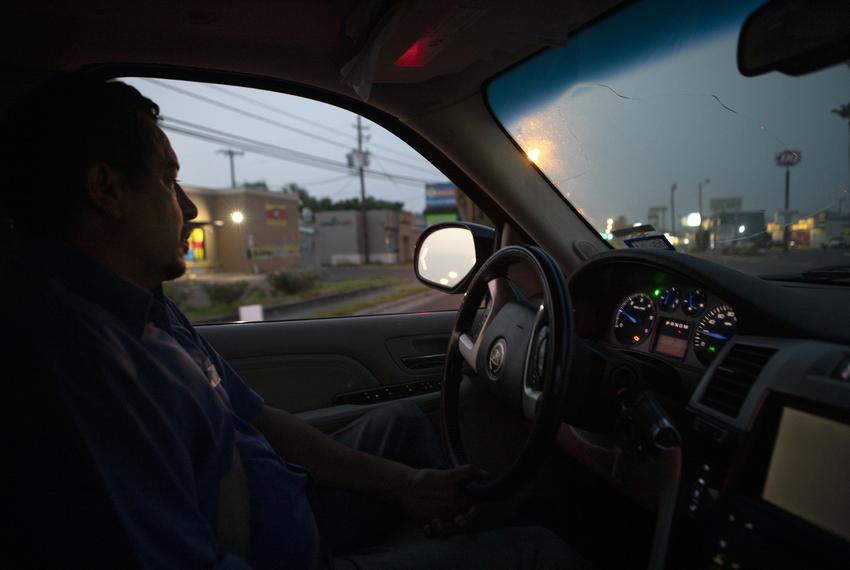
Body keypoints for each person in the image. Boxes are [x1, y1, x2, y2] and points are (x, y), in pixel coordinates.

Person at [2, 77, 581, 569]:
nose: (191, 207)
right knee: (540, 551)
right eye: (167, 178)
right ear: (106, 189)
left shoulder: (148, 311)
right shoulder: (79, 365)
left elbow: (263, 422)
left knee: (402, 423)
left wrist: (404, 486)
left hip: (291, 506)